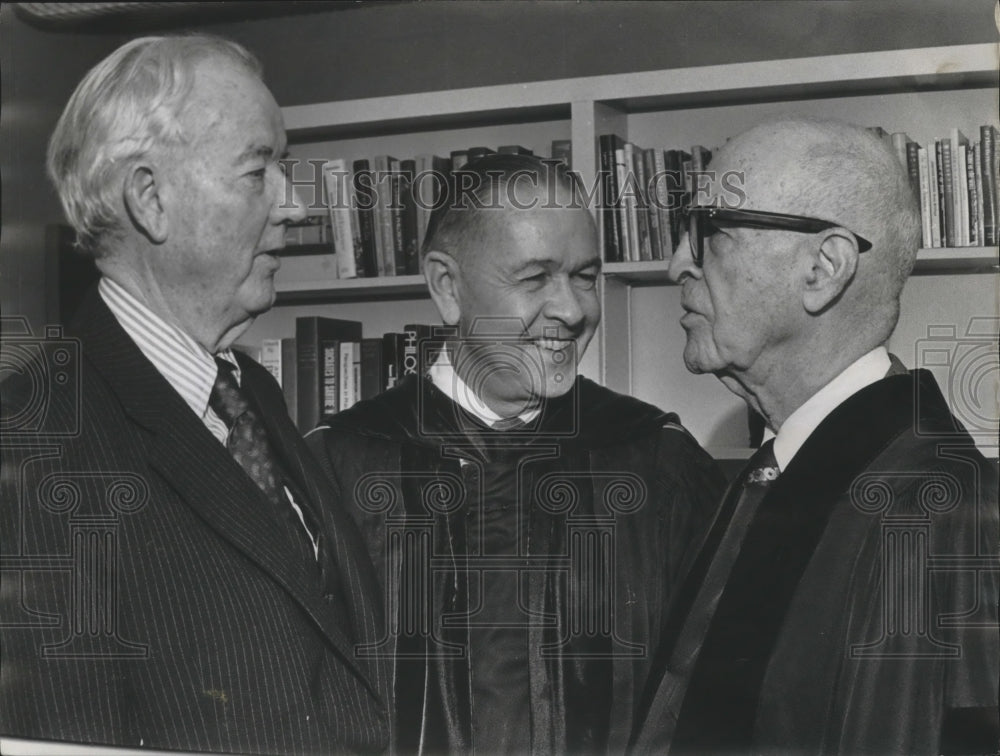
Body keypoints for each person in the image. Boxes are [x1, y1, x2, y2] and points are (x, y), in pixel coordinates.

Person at [0, 36, 387, 753]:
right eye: (258, 169)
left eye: (287, 166)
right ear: (151, 200)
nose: (294, 205)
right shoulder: (31, 443)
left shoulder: (251, 394)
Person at [307, 154, 726, 753]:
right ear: (446, 287)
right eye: (535, 279)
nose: (573, 310)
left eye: (585, 276)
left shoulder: (652, 460)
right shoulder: (340, 468)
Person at [631, 117, 999, 754]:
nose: (676, 265)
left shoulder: (944, 512)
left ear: (823, 268)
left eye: (710, 232)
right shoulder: (770, 472)